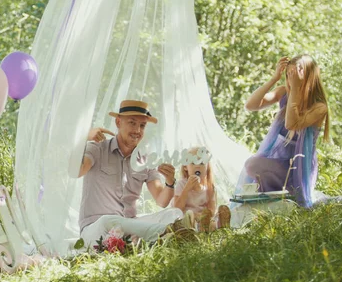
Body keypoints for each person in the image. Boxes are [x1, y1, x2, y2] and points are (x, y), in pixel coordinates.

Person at [77, 100, 185, 247]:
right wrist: (84, 138)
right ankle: (168, 234)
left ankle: (153, 236)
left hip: (131, 225)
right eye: (132, 123)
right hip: (96, 228)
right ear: (118, 122)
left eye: (142, 125)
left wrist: (170, 182)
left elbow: (162, 200)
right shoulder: (97, 149)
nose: (137, 131)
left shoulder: (145, 160)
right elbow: (78, 171)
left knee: (174, 213)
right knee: (109, 221)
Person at [241, 54, 330, 207]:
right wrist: (274, 79)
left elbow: (291, 124)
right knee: (251, 165)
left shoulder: (319, 107)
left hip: (297, 169)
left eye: (295, 75)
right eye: (289, 75)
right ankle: (273, 195)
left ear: (309, 77)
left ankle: (291, 194)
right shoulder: (284, 93)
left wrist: (295, 88)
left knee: (253, 164)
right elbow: (250, 105)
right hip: (278, 163)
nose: (291, 80)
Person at [161, 147, 231, 232]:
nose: (198, 166)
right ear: (185, 167)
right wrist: (187, 188)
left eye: (202, 163)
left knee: (212, 221)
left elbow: (211, 210)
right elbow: (177, 208)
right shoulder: (182, 184)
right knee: (188, 221)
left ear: (207, 167)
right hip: (186, 218)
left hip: (203, 218)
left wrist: (202, 216)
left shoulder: (209, 187)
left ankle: (221, 225)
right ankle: (201, 229)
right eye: (193, 162)